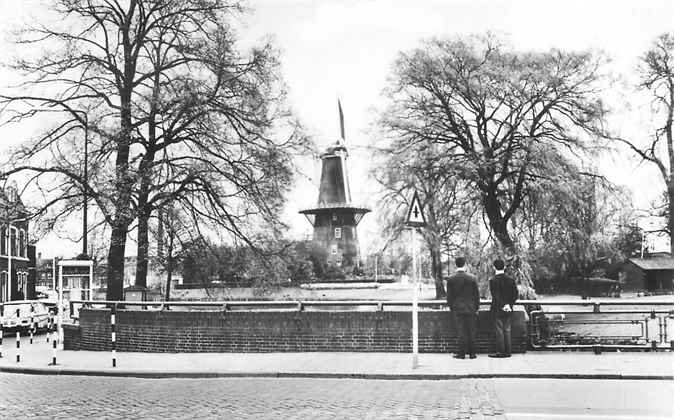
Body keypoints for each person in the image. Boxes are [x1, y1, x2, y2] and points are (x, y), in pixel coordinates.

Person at [446, 257, 480, 359]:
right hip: (471, 308)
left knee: (461, 332)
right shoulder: (472, 278)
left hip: (458, 309)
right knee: (472, 331)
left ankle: (461, 354)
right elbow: (476, 295)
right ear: (465, 264)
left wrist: (452, 308)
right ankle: (472, 354)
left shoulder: (451, 279)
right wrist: (476, 307)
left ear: (456, 265)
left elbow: (449, 297)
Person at [489, 259, 518, 358]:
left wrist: (503, 305)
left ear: (494, 267)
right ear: (504, 267)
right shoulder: (511, 279)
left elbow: (496, 296)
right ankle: (508, 352)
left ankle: (501, 352)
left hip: (497, 309)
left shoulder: (493, 280)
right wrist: (509, 305)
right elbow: (515, 294)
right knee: (507, 330)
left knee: (499, 331)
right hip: (508, 309)